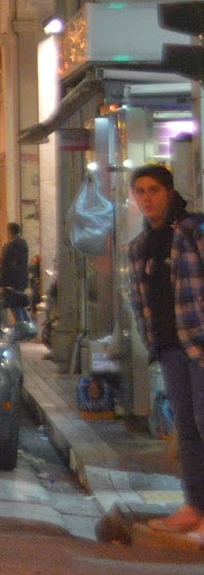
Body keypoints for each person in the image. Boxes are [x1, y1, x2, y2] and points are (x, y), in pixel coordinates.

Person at [128, 164, 204, 537]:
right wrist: (151, 339)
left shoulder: (193, 231)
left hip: (200, 344)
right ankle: (195, 505)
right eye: (140, 191)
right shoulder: (140, 246)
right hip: (171, 347)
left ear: (170, 192)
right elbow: (139, 298)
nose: (147, 197)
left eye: (154, 189)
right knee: (186, 429)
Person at [0, 222, 31, 325]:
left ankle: (22, 327)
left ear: (10, 231)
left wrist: (1, 282)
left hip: (11, 281)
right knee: (19, 305)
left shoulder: (11, 246)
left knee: (14, 305)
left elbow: (5, 265)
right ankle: (28, 325)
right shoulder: (22, 244)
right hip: (20, 280)